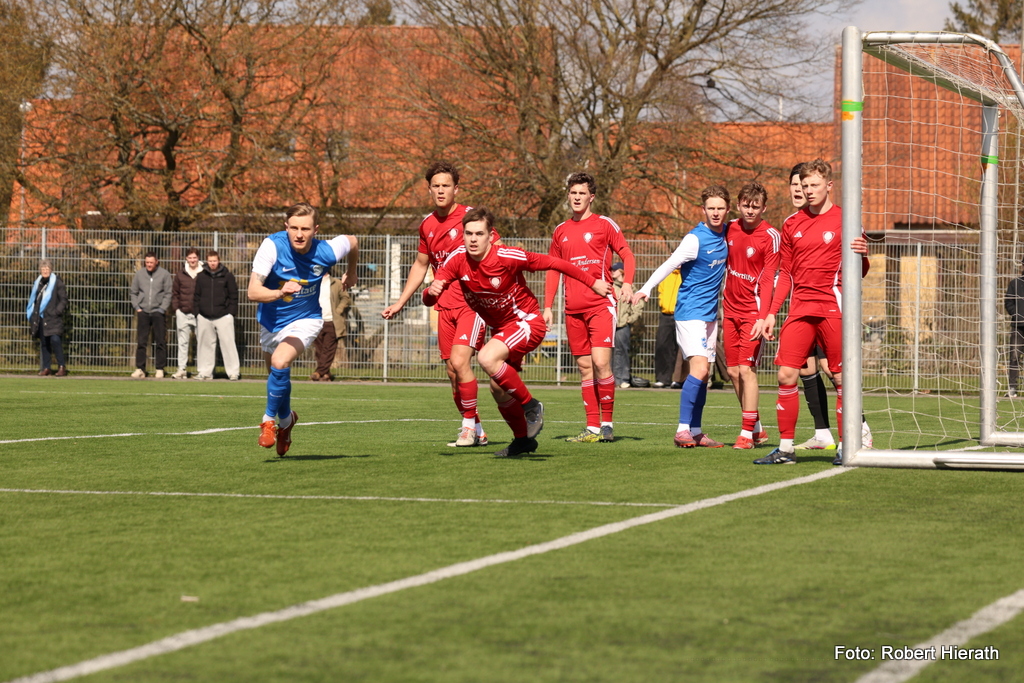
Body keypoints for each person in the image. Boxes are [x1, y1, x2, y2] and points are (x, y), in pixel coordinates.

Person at [426, 206, 611, 457]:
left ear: (491, 236)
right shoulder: (457, 261)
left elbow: (555, 262)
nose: (473, 239)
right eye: (468, 234)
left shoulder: (507, 256)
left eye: (479, 234)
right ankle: (523, 440)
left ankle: (532, 406)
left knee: (486, 357)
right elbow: (429, 299)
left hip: (528, 322)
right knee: (498, 390)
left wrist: (593, 282)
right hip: (504, 330)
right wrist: (431, 292)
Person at [754, 159, 870, 466]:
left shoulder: (847, 220)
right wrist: (771, 313)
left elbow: (860, 272)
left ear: (829, 186)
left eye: (814, 185)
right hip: (800, 308)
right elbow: (786, 273)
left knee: (841, 376)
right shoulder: (792, 223)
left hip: (833, 307)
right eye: (804, 185)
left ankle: (847, 446)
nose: (808, 190)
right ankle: (786, 449)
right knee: (785, 374)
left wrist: (863, 255)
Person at [382, 162, 494, 448]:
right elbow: (421, 265)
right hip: (444, 308)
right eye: (436, 186)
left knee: (460, 362)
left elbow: (496, 251)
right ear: (429, 189)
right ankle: (477, 429)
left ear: (456, 189)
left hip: (472, 305)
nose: (441, 190)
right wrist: (400, 302)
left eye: (446, 185)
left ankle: (467, 429)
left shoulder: (471, 218)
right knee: (453, 374)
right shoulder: (427, 224)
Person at [248, 202, 358, 456]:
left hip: (307, 319)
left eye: (305, 229)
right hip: (271, 321)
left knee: (280, 361)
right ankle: (287, 421)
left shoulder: (326, 251)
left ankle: (268, 422)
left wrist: (351, 272)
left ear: (315, 230)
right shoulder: (272, 246)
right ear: (286, 227)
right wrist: (280, 292)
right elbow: (253, 292)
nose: (299, 234)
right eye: (294, 228)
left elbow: (352, 241)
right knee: (277, 375)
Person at [633, 185, 730, 448]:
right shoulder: (694, 239)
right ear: (703, 209)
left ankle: (696, 431)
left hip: (709, 315)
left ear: (727, 209)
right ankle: (682, 430)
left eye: (720, 208)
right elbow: (669, 264)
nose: (715, 213)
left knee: (705, 374)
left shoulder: (727, 233)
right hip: (689, 313)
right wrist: (645, 289)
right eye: (711, 208)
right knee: (699, 369)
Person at [544, 172, 636, 443]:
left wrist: (627, 283)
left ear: (591, 197)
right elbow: (552, 269)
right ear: (568, 195)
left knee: (601, 363)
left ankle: (607, 424)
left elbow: (627, 254)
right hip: (572, 309)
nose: (577, 197)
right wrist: (547, 306)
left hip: (600, 305)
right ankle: (592, 428)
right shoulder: (560, 231)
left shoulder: (604, 224)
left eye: (582, 193)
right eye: (573, 193)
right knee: (585, 368)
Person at [723, 182, 778, 449]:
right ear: (738, 205)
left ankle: (746, 434)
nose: (750, 210)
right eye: (746, 205)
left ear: (764, 208)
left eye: (755, 206)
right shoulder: (730, 228)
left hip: (752, 314)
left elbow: (768, 279)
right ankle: (756, 428)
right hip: (729, 310)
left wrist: (763, 316)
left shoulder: (771, 236)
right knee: (733, 372)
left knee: (747, 370)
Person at [194, 250, 240, 381]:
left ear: (218, 261)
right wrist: (197, 313)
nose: (212, 263)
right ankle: (205, 372)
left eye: (214, 261)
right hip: (204, 316)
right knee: (205, 346)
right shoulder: (201, 276)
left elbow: (233, 295)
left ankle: (233, 372)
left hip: (223, 316)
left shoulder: (227, 276)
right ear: (207, 261)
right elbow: (196, 296)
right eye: (210, 261)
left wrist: (231, 313)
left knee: (228, 345)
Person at [130, 252, 172, 379]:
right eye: (147, 262)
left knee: (160, 341)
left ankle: (159, 368)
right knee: (141, 341)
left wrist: (162, 308)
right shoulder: (139, 274)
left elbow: (168, 293)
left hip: (158, 312)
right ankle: (140, 369)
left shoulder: (165, 274)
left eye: (151, 262)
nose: (149, 265)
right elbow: (133, 292)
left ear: (156, 262)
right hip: (143, 312)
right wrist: (137, 307)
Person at [27, 259, 69, 377]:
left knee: (55, 340)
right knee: (44, 343)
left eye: (47, 269)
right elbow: (35, 299)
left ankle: (61, 367)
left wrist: (57, 311)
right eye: (43, 269)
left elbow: (63, 299)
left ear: (51, 270)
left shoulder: (57, 282)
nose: (45, 271)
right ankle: (47, 368)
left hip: (53, 318)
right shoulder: (38, 283)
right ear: (40, 270)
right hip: (40, 317)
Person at [611, 262, 648, 389]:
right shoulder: (610, 286)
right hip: (609, 324)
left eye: (615, 270)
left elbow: (638, 304)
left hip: (623, 324)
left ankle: (623, 379)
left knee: (622, 351)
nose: (612, 272)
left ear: (622, 271)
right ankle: (610, 379)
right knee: (608, 352)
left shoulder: (630, 287)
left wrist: (630, 318)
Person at [171, 248, 203, 379]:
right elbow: (175, 293)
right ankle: (181, 369)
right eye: (190, 258)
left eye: (194, 257)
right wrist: (177, 309)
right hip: (183, 313)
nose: (192, 260)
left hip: (200, 314)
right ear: (186, 259)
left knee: (202, 343)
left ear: (198, 258)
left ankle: (202, 370)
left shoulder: (204, 273)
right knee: (182, 343)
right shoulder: (180, 274)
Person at [653, 270, 683, 388]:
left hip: (682, 314)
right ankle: (663, 378)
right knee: (662, 346)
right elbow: (661, 290)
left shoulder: (688, 272)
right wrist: (662, 303)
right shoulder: (666, 273)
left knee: (681, 349)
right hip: (665, 314)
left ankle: (679, 379)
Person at [311, 272, 339, 381]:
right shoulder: (312, 281)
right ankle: (325, 374)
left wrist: (338, 310)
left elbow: (345, 298)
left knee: (328, 348)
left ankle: (319, 372)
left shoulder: (336, 283)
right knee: (319, 349)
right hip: (316, 319)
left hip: (331, 320)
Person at [1004, 259, 1024, 398]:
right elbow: (1008, 302)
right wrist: (1017, 315)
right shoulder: (1015, 283)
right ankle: (1012, 388)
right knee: (1014, 357)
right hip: (1018, 327)